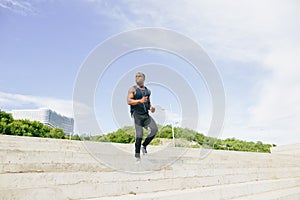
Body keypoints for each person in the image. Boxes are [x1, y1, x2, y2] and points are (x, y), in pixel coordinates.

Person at [127, 72, 158, 161]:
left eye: (139, 76)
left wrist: (151, 108)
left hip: (145, 115)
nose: (137, 77)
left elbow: (148, 103)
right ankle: (137, 157)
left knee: (154, 130)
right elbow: (129, 101)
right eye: (136, 76)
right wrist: (140, 101)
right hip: (136, 114)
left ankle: (144, 146)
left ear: (143, 79)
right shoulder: (132, 89)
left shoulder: (148, 91)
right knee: (139, 135)